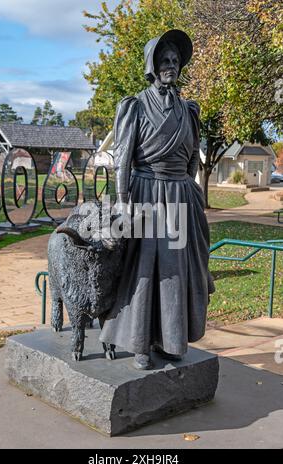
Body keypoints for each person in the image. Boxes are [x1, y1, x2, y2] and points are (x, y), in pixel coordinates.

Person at [99, 29, 215, 370]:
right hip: (146, 194)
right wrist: (122, 202)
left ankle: (170, 338)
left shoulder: (189, 110)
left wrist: (187, 185)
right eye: (164, 60)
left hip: (178, 198)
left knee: (174, 271)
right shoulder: (134, 106)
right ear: (152, 65)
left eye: (175, 61)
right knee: (144, 270)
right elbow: (122, 159)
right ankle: (139, 343)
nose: (170, 65)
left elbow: (194, 155)